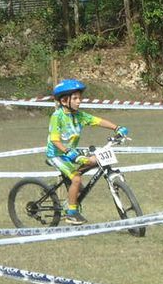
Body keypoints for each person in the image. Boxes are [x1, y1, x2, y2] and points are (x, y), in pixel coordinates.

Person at [46, 79, 129, 224]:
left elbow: (98, 121)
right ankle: (71, 213)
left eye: (80, 98)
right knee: (77, 179)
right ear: (65, 100)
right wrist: (67, 152)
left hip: (70, 151)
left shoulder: (78, 115)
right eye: (76, 98)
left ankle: (71, 192)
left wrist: (117, 128)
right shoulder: (57, 117)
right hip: (57, 154)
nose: (79, 101)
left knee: (96, 160)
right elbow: (55, 140)